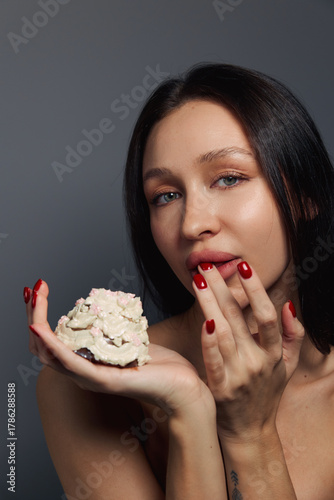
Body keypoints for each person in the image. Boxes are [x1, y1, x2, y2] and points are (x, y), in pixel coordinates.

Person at [24, 63, 334, 499]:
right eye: (166, 196)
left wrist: (250, 433)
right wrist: (189, 405)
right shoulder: (84, 385)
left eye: (229, 178)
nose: (191, 224)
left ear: (306, 198)